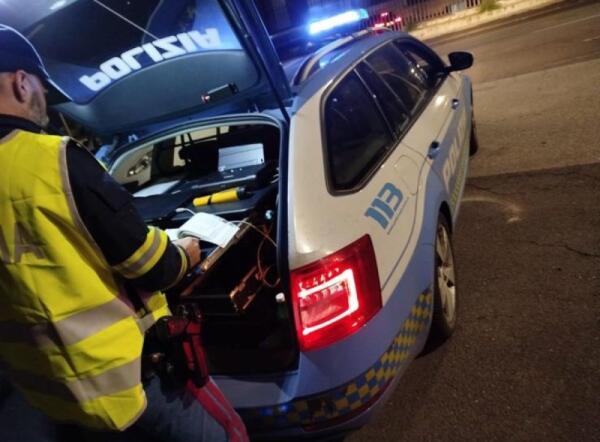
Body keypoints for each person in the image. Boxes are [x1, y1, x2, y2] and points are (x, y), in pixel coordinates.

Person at [0, 24, 248, 442]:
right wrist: (184, 251)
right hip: (133, 381)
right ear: (22, 83)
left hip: (50, 395)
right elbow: (153, 266)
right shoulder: (53, 159)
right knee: (230, 433)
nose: (44, 101)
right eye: (42, 87)